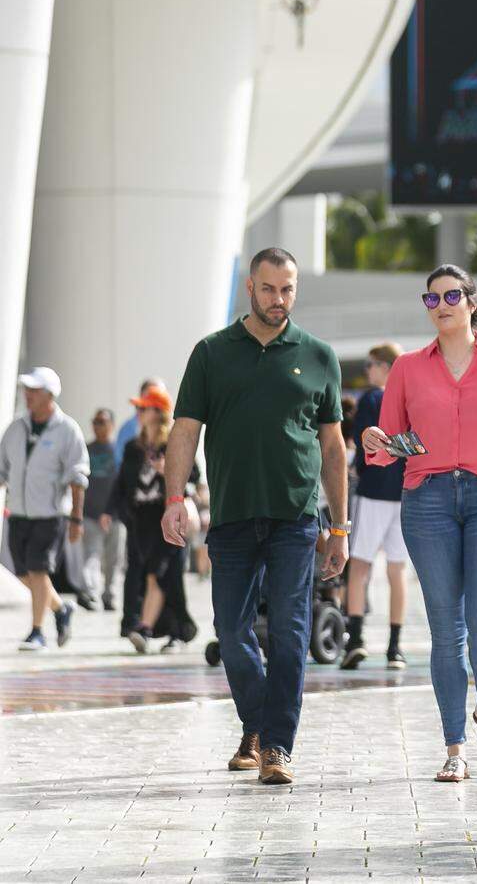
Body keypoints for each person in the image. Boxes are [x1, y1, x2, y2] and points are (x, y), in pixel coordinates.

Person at [161, 247, 347, 785]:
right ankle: (257, 725)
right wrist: (176, 498)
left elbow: (333, 449)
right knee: (232, 629)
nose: (278, 299)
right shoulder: (212, 353)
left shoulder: (317, 355)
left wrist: (339, 527)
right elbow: (184, 430)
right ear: (250, 287)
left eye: (287, 289)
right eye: (269, 289)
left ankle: (276, 747)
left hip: (296, 520)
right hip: (233, 518)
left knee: (290, 634)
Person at [362, 267, 477, 781]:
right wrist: (376, 440)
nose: (441, 303)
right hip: (428, 501)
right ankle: (454, 747)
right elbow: (393, 444)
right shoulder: (408, 368)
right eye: (431, 297)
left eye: (452, 294)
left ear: (472, 303)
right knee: (445, 629)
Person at [0, 367, 88, 651]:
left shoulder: (67, 430)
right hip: (18, 513)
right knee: (22, 573)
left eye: (34, 390)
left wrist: (76, 518)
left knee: (38, 570)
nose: (28, 395)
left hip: (50, 515)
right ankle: (61, 609)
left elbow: (78, 477)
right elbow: (2, 469)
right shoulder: (16, 428)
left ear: (50, 394)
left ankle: (37, 632)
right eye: (27, 390)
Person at [108, 386, 199, 653]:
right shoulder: (133, 448)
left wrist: (167, 471)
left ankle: (145, 628)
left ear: (158, 413)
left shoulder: (173, 443)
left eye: (143, 408)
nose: (138, 413)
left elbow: (193, 476)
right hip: (142, 522)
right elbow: (122, 483)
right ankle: (178, 631)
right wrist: (113, 511)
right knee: (167, 578)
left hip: (168, 517)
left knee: (156, 575)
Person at [343, 342, 409, 671]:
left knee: (359, 566)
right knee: (396, 570)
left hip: (373, 491)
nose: (368, 370)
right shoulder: (409, 397)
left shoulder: (372, 398)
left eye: (371, 364)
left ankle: (355, 640)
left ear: (384, 366)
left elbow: (360, 440)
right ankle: (395, 647)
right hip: (404, 492)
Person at [82, 408, 125, 611]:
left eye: (102, 421)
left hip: (116, 517)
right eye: (95, 421)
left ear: (111, 425)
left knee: (114, 560)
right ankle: (90, 594)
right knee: (91, 555)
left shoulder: (120, 450)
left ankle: (110, 595)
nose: (98, 425)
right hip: (90, 515)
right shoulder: (85, 449)